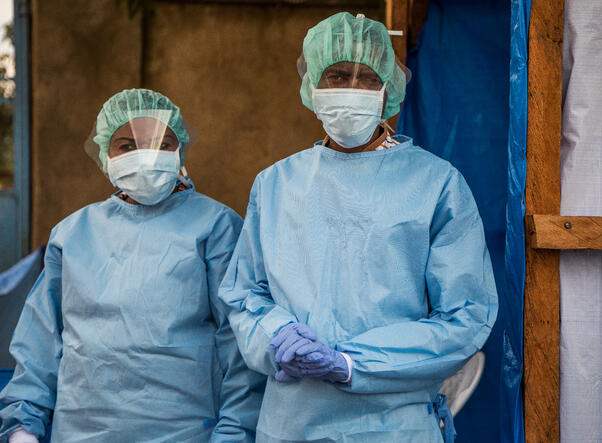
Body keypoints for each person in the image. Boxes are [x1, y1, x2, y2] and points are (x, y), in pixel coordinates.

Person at [219, 12, 498, 443]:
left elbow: (466, 315)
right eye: (335, 76)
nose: (350, 88)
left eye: (366, 77)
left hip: (395, 425)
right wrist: (277, 335)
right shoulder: (275, 184)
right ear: (312, 86)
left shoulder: (436, 184)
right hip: (292, 422)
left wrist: (353, 364)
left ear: (388, 88)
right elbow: (243, 293)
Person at [0, 89, 265, 443]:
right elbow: (41, 341)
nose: (145, 156)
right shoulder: (72, 234)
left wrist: (234, 432)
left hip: (185, 432)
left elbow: (238, 344)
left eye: (161, 144)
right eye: (126, 146)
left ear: (180, 152)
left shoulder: (215, 226)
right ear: (104, 154)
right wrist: (22, 427)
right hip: (83, 431)